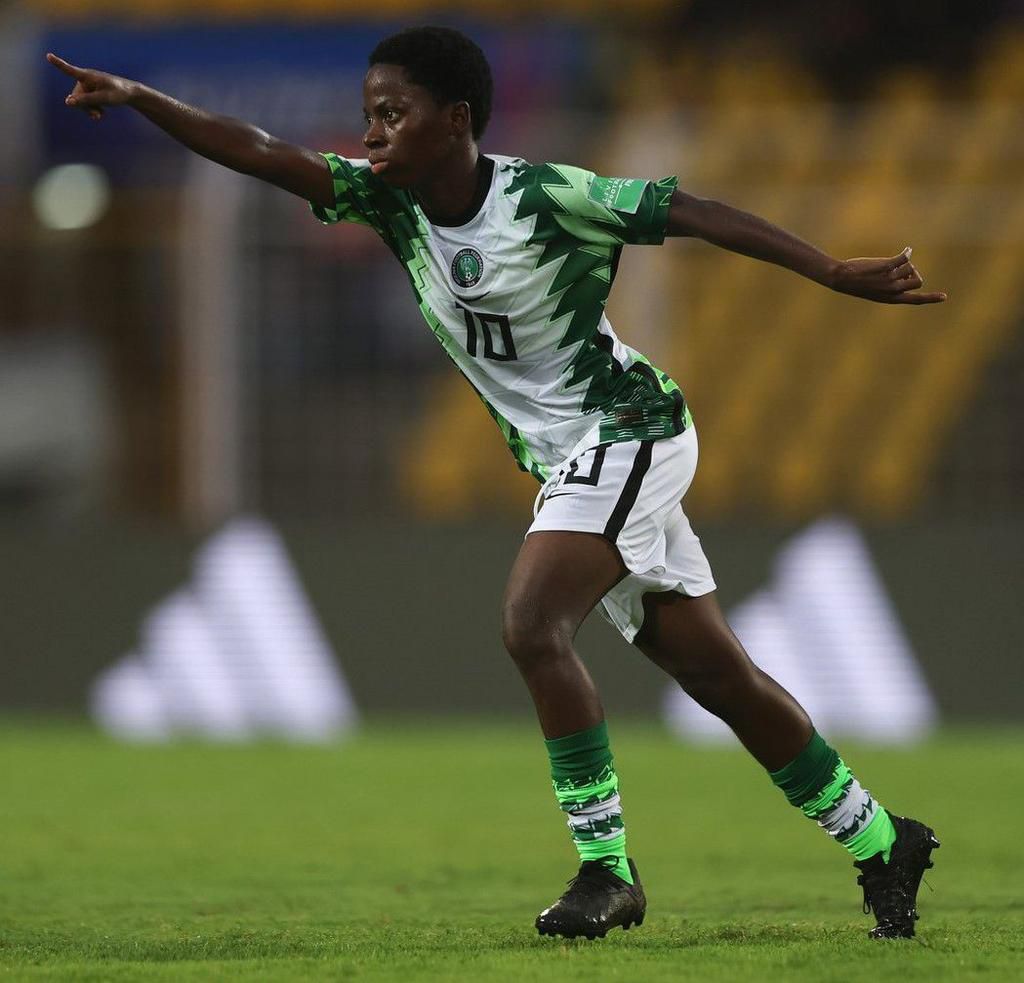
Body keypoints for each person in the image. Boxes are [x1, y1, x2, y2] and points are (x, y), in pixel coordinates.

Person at [48, 25, 945, 941]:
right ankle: (882, 838)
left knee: (530, 623)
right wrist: (143, 99)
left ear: (456, 118)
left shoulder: (545, 196)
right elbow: (263, 152)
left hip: (629, 428)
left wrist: (829, 269)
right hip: (570, 460)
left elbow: (691, 211)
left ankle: (607, 869)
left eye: (393, 113)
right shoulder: (390, 203)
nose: (372, 133)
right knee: (717, 674)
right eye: (369, 115)